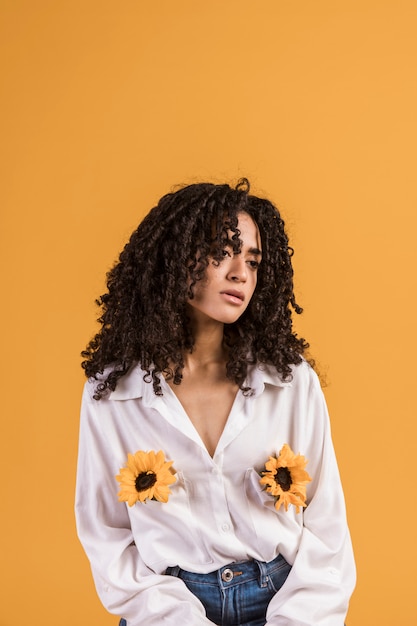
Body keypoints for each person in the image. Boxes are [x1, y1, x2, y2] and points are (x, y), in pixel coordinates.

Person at [75, 179, 355, 626]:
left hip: (283, 602)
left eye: (253, 260)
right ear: (174, 257)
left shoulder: (290, 381)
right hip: (164, 610)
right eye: (223, 251)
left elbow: (326, 529)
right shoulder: (112, 393)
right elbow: (107, 536)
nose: (241, 273)